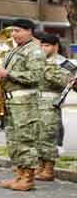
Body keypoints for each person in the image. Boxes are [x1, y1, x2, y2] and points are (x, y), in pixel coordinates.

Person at [0, 19, 45, 190]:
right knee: (14, 141)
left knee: (25, 140)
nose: (14, 34)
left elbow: (36, 76)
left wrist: (8, 73)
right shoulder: (15, 49)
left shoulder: (34, 50)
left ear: (29, 31)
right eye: (13, 31)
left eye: (18, 31)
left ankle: (28, 178)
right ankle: (20, 175)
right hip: (12, 101)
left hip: (25, 103)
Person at [35, 33, 71, 181]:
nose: (43, 48)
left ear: (55, 46)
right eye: (42, 45)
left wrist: (46, 69)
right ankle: (40, 165)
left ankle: (49, 169)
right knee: (37, 136)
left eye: (47, 45)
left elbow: (67, 81)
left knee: (48, 136)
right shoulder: (38, 61)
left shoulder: (63, 63)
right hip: (36, 102)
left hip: (51, 102)